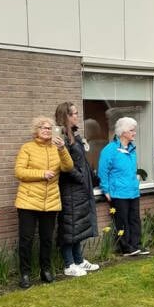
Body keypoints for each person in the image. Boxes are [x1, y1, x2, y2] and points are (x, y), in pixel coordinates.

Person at [14, 116, 75, 288]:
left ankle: (46, 270)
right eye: (43, 127)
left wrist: (63, 149)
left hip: (51, 201)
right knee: (26, 239)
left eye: (49, 128)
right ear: (36, 130)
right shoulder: (27, 148)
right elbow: (19, 172)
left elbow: (68, 167)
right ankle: (25, 274)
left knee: (47, 239)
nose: (47, 130)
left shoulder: (57, 148)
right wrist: (41, 174)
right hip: (28, 201)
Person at [53, 102, 100, 277]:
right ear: (65, 115)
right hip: (70, 188)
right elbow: (63, 163)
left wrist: (91, 177)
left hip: (81, 188)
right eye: (73, 114)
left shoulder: (75, 135)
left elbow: (81, 161)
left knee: (78, 224)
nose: (76, 116)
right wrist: (80, 176)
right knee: (69, 225)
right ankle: (69, 264)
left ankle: (79, 260)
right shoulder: (61, 137)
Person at [98, 117, 149, 256]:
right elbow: (103, 171)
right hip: (118, 192)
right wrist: (106, 189)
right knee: (122, 221)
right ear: (123, 132)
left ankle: (136, 245)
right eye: (132, 130)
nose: (134, 133)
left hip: (133, 191)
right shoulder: (110, 150)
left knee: (135, 219)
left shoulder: (132, 149)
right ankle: (126, 248)